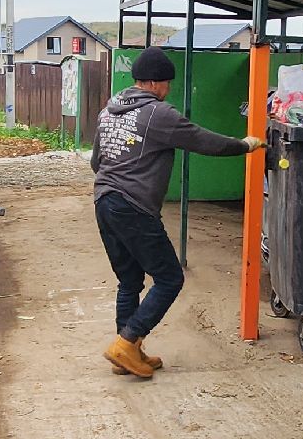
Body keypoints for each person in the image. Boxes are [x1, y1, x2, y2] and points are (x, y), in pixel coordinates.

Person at [93, 46, 262, 378]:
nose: (168, 89)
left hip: (104, 201)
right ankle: (126, 344)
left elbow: (96, 161)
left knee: (129, 280)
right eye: (167, 83)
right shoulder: (158, 113)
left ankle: (128, 352)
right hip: (132, 205)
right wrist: (243, 145)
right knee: (170, 277)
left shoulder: (108, 111)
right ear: (156, 83)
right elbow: (201, 140)